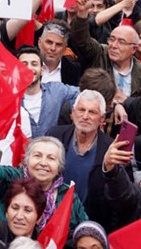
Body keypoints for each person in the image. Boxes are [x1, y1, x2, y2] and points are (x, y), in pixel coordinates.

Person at [0, 137, 88, 235]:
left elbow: (85, 232)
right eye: (37, 156)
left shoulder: (68, 196)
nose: (43, 163)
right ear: (27, 161)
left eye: (51, 158)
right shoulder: (13, 179)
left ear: (59, 166)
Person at [45, 90, 113, 225]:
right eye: (81, 110)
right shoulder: (55, 135)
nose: (85, 116)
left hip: (89, 223)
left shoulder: (110, 148)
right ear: (73, 112)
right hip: (51, 218)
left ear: (102, 118)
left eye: (92, 112)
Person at [71, 0, 141, 101]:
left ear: (134, 49)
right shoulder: (100, 53)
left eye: (121, 42)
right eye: (112, 39)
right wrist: (82, 14)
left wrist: (126, 102)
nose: (114, 45)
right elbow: (80, 39)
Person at [18, 46, 80, 137]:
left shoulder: (56, 90)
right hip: (22, 150)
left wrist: (72, 110)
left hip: (52, 148)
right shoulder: (10, 99)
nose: (29, 68)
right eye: (24, 64)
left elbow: (83, 94)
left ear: (42, 70)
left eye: (34, 64)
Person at [0, 177, 47, 245]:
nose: (19, 216)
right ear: (6, 212)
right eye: (15, 208)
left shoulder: (45, 243)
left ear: (39, 217)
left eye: (27, 210)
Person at [38, 21, 82, 86]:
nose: (53, 48)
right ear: (39, 42)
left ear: (65, 48)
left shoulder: (73, 70)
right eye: (49, 42)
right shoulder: (27, 64)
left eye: (58, 44)